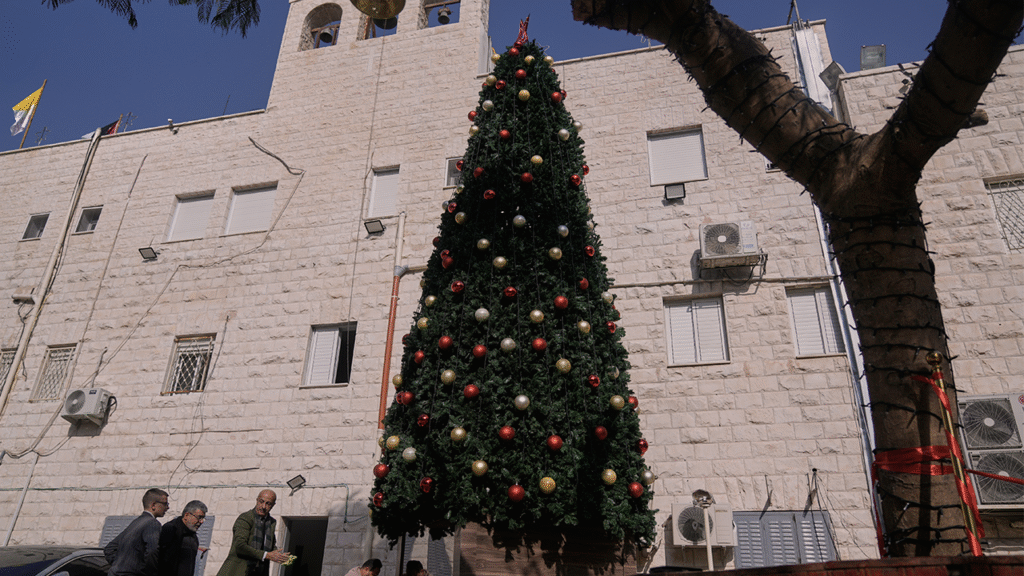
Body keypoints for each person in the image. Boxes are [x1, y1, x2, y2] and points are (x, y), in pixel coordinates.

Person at [215, 490, 290, 576]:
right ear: (257, 500)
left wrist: (280, 556)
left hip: (259, 571)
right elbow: (240, 546)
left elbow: (270, 546)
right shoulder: (246, 518)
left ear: (273, 505)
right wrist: (265, 555)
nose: (263, 506)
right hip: (238, 570)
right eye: (261, 501)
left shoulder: (271, 522)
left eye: (268, 503)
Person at [104, 488, 170, 576]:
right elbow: (152, 550)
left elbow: (109, 548)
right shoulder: (152, 523)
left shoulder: (136, 522)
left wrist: (121, 566)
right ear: (153, 505)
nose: (167, 507)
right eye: (165, 504)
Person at [158, 500, 208, 576]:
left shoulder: (193, 536)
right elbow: (162, 560)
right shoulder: (171, 529)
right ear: (186, 515)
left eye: (203, 518)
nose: (201, 522)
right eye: (199, 517)